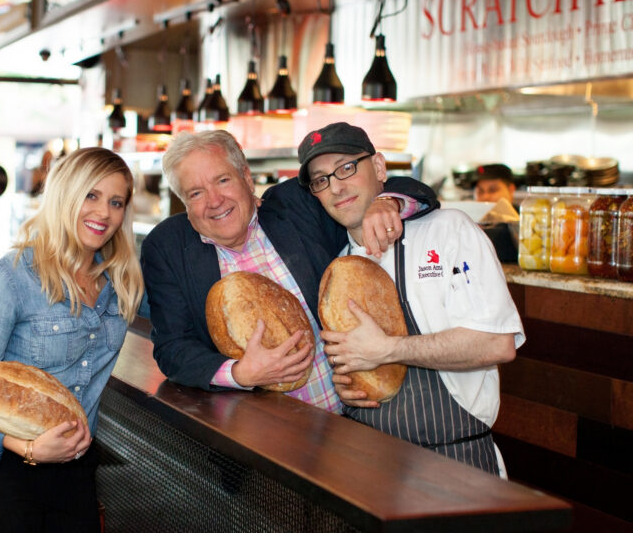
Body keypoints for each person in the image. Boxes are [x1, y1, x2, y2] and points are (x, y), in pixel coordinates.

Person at [140, 129, 436, 413]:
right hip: (261, 438)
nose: (214, 201)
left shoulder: (296, 206)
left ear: (246, 176)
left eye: (222, 180)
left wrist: (386, 202)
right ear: (184, 203)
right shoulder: (168, 248)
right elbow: (172, 348)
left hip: (353, 417)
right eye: (195, 193)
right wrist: (241, 373)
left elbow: (401, 186)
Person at [0, 147, 144, 533]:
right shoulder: (10, 280)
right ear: (64, 195)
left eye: (116, 201)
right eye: (91, 195)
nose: (104, 212)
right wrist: (30, 448)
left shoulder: (120, 284)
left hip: (73, 472)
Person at [299, 122, 524, 476]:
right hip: (368, 464)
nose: (336, 186)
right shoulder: (337, 267)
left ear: (379, 168)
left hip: (456, 463)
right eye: (321, 179)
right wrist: (348, 384)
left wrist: (388, 350)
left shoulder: (448, 230)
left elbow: (496, 344)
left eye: (346, 167)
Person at [472, 163, 520, 263]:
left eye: (493, 190)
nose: (485, 197)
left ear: (511, 190)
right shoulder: (468, 222)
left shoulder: (526, 221)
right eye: (480, 191)